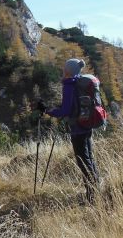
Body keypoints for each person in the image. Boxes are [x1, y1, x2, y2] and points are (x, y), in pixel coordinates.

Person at [36, 58, 100, 202]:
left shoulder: (69, 85)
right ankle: (96, 190)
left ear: (68, 70)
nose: (63, 70)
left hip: (78, 129)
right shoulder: (79, 83)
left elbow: (65, 110)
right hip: (86, 126)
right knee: (89, 158)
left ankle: (92, 197)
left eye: (65, 68)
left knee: (83, 161)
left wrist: (47, 110)